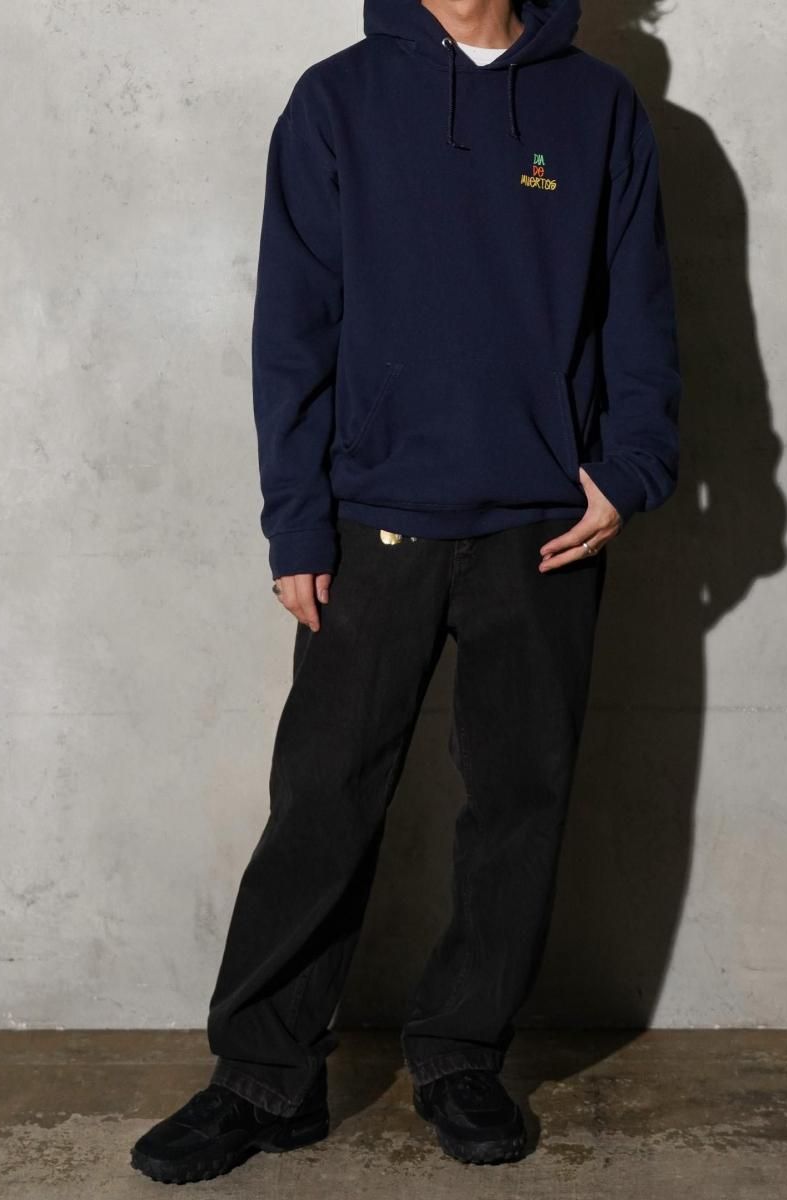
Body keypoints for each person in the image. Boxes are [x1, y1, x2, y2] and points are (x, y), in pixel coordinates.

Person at [131, 0, 681, 1183]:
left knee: (517, 805)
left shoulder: (597, 107)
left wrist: (628, 472)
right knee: (322, 800)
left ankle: (461, 1056)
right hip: (371, 520)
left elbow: (637, 306)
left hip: (544, 528)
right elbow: (294, 325)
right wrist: (296, 520)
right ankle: (263, 1077)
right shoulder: (336, 100)